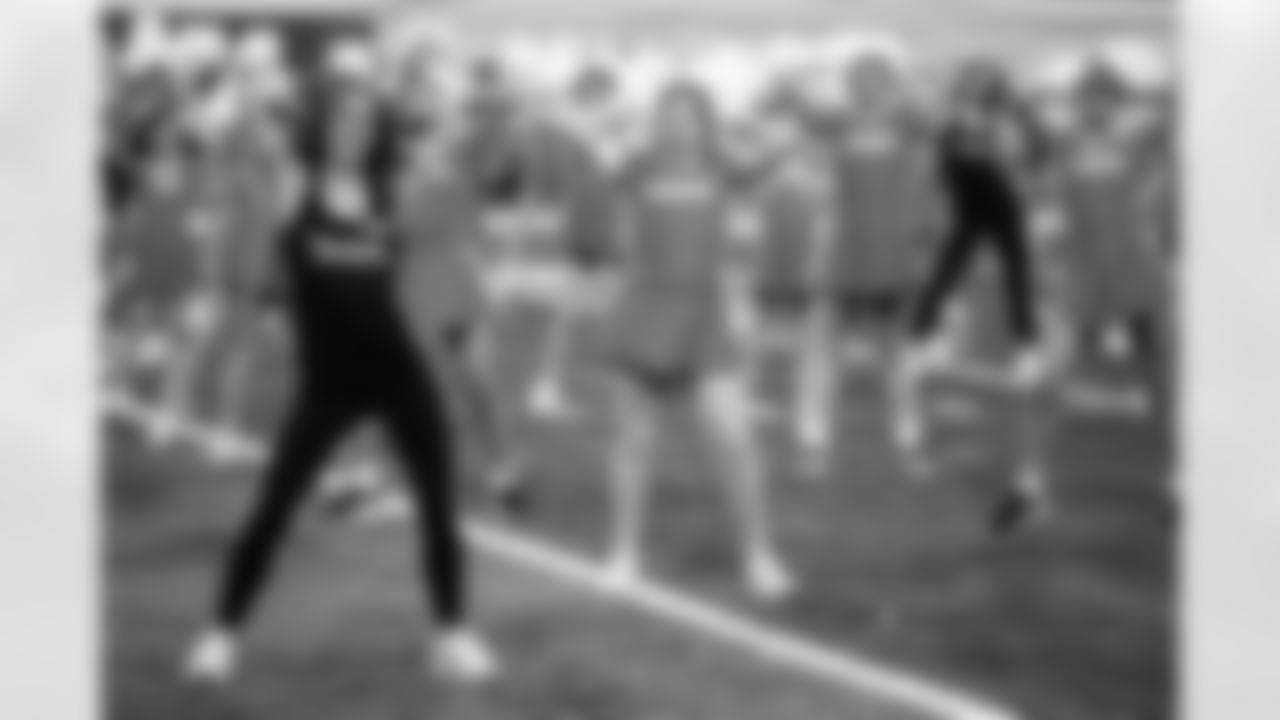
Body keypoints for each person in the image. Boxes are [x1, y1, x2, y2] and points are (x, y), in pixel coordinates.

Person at [183, 59, 496, 686]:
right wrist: (245, 90)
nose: (354, 131)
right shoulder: (293, 187)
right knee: (274, 507)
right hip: (328, 385)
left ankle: (452, 633)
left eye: (365, 122)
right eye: (342, 120)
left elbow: (449, 185)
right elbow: (238, 137)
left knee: (440, 505)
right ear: (321, 127)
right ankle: (221, 633)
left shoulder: (391, 193)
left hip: (400, 374)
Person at [595, 79, 794, 601]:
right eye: (669, 115)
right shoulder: (637, 167)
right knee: (632, 440)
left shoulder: (724, 166)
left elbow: (776, 155)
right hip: (643, 310)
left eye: (689, 116)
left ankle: (758, 553)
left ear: (706, 123)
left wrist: (779, 118)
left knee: (734, 438)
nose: (678, 125)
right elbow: (599, 156)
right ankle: (623, 551)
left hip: (705, 315)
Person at [898, 59, 1058, 531]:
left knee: (1028, 385)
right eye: (967, 92)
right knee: (1006, 385)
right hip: (979, 281)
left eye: (981, 92)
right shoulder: (951, 142)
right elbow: (936, 192)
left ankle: (1028, 484)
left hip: (1017, 281)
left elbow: (1032, 183)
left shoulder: (1013, 139)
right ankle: (1021, 482)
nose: (972, 103)